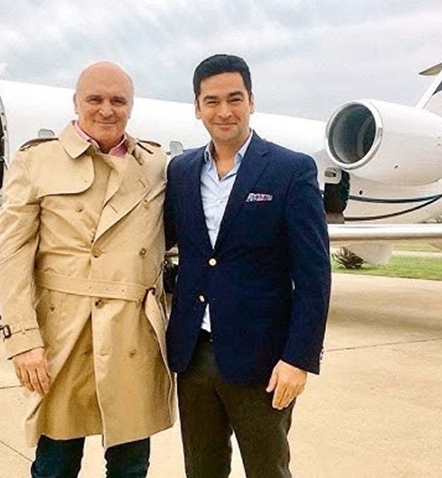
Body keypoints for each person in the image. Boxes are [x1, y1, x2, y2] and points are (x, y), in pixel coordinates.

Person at [0, 62, 174, 478]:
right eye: (95, 99)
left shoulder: (155, 164)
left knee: (131, 466)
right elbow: (11, 254)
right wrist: (23, 339)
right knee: (55, 464)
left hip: (133, 331)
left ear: (131, 106)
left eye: (118, 101)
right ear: (76, 102)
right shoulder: (37, 161)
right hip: (64, 333)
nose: (106, 110)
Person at [164, 54, 331, 477]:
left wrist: (298, 359)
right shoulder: (181, 171)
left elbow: (313, 276)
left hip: (264, 362)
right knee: (202, 470)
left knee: (267, 470)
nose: (224, 111)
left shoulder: (290, 170)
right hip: (193, 355)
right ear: (197, 108)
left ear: (251, 101)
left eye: (234, 98)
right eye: (212, 101)